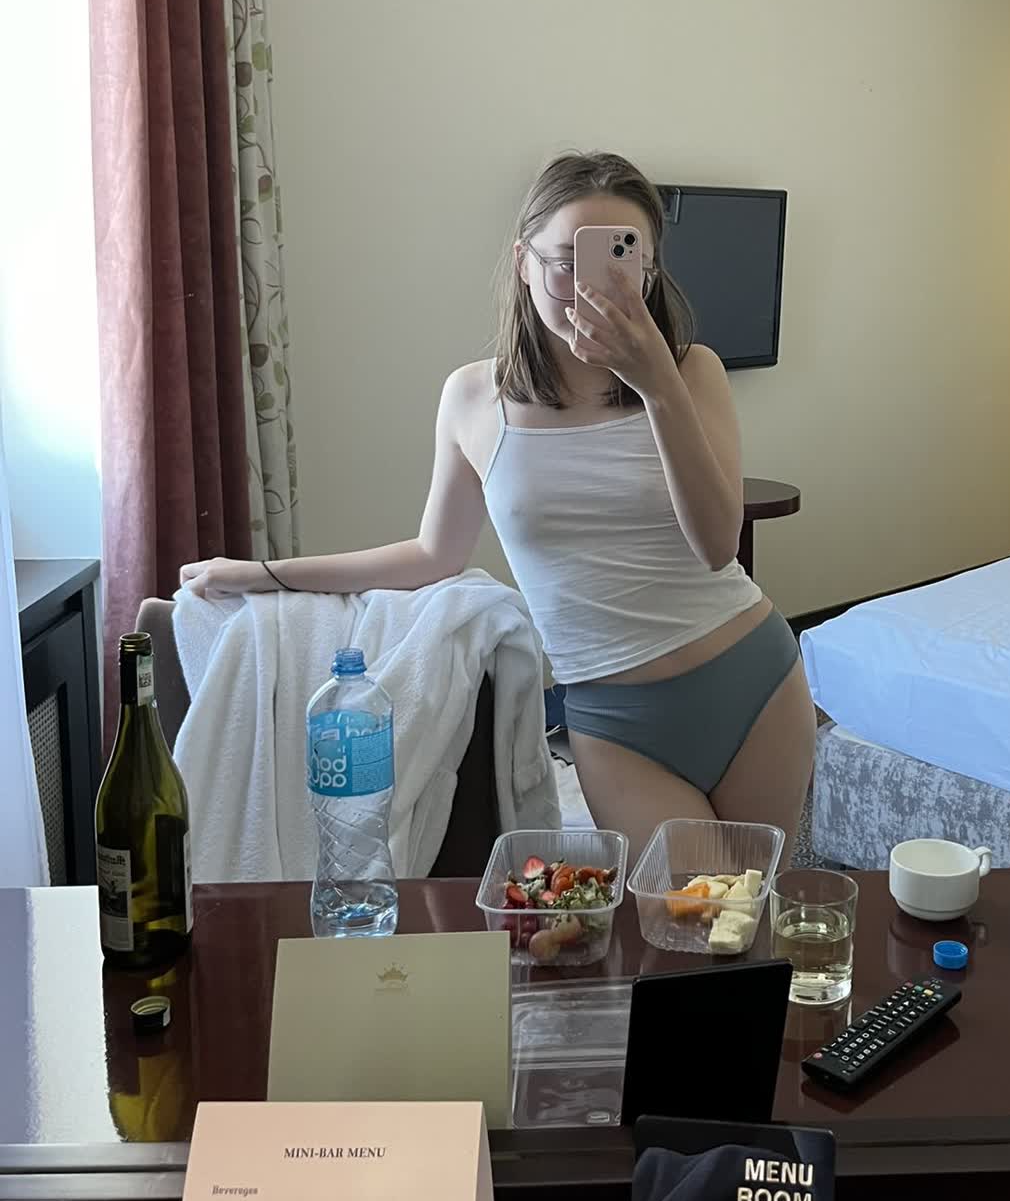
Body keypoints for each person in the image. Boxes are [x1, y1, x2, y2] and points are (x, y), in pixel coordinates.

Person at [181, 151, 817, 859]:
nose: (590, 287)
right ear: (522, 262)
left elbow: (717, 544)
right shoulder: (472, 398)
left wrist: (656, 383)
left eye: (621, 261)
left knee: (757, 905)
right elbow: (434, 555)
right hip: (617, 723)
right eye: (566, 262)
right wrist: (263, 574)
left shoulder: (692, 371)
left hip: (750, 679)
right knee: (688, 912)